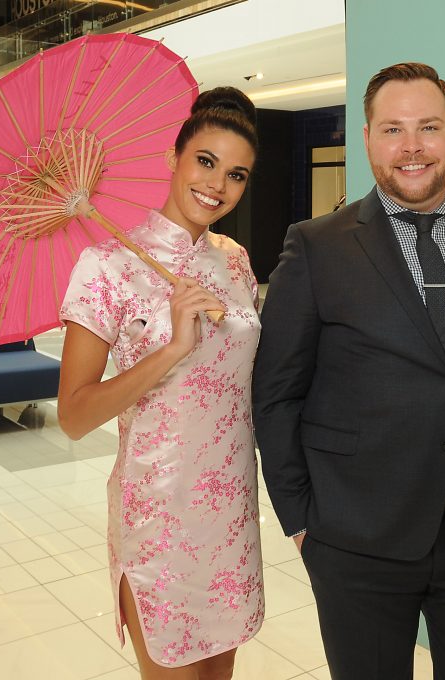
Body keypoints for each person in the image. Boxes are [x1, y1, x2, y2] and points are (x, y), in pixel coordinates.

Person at [252, 62, 445, 680]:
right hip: (355, 534)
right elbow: (277, 391)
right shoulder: (316, 246)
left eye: (428, 127)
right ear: (366, 138)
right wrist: (304, 518)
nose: (411, 147)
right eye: (393, 129)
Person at [57, 87, 263, 680]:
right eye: (205, 161)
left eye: (237, 174)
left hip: (231, 512)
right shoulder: (106, 266)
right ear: (173, 158)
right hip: (159, 516)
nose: (217, 185)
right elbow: (73, 415)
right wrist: (172, 349)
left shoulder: (237, 261)